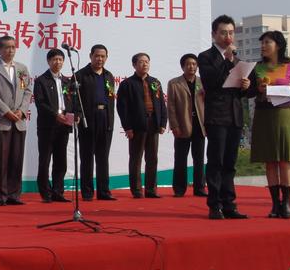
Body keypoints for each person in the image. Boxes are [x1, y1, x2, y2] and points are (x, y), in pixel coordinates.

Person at [198, 14, 250, 220]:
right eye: (223, 33)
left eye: (230, 33)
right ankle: (214, 205)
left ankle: (229, 204)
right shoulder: (206, 57)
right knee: (216, 161)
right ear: (214, 34)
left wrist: (246, 86)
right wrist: (227, 60)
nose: (228, 37)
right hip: (217, 116)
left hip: (235, 116)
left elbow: (242, 91)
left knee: (230, 163)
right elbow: (211, 83)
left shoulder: (237, 60)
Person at [248, 31, 290, 218]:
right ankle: (275, 204)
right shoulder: (257, 67)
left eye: (267, 42)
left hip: (284, 115)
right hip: (263, 115)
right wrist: (257, 88)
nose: (263, 46)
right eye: (262, 43)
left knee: (285, 160)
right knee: (270, 160)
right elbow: (248, 92)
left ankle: (286, 203)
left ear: (278, 45)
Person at [0, 36, 32, 206]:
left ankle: (14, 195)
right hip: (1, 121)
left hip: (19, 121)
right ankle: (1, 196)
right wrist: (7, 112)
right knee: (0, 161)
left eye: (13, 47)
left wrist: (21, 111)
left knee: (16, 160)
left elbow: (27, 91)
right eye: (7, 47)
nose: (10, 50)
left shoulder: (22, 68)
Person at [117, 53, 167, 198]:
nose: (145, 64)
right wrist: (127, 127)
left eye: (147, 62)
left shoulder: (155, 82)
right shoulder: (127, 84)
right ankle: (137, 190)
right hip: (136, 125)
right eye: (141, 62)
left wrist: (163, 123)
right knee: (136, 158)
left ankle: (151, 190)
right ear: (134, 65)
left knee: (152, 159)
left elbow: (162, 104)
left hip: (153, 123)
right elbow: (122, 108)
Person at [76, 44, 117, 201]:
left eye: (103, 56)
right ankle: (87, 193)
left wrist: (111, 120)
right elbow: (74, 99)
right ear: (90, 56)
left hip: (105, 119)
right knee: (87, 158)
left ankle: (104, 191)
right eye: (97, 56)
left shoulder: (109, 75)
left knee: (103, 157)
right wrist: (79, 115)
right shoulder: (80, 75)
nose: (100, 59)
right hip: (88, 120)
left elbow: (111, 99)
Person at [33, 48, 72, 203]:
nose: (58, 62)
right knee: (45, 160)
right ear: (48, 61)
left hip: (64, 126)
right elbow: (40, 103)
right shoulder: (41, 81)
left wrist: (72, 116)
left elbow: (72, 101)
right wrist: (55, 115)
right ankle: (45, 193)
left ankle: (58, 191)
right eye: (54, 59)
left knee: (61, 161)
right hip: (47, 126)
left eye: (60, 59)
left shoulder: (67, 81)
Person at [167, 53, 207, 197]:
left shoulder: (203, 82)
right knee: (180, 159)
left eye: (194, 64)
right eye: (188, 64)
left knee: (199, 159)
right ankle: (179, 189)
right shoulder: (174, 83)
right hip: (182, 124)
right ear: (183, 66)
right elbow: (171, 106)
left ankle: (199, 188)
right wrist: (174, 126)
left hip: (200, 125)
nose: (191, 67)